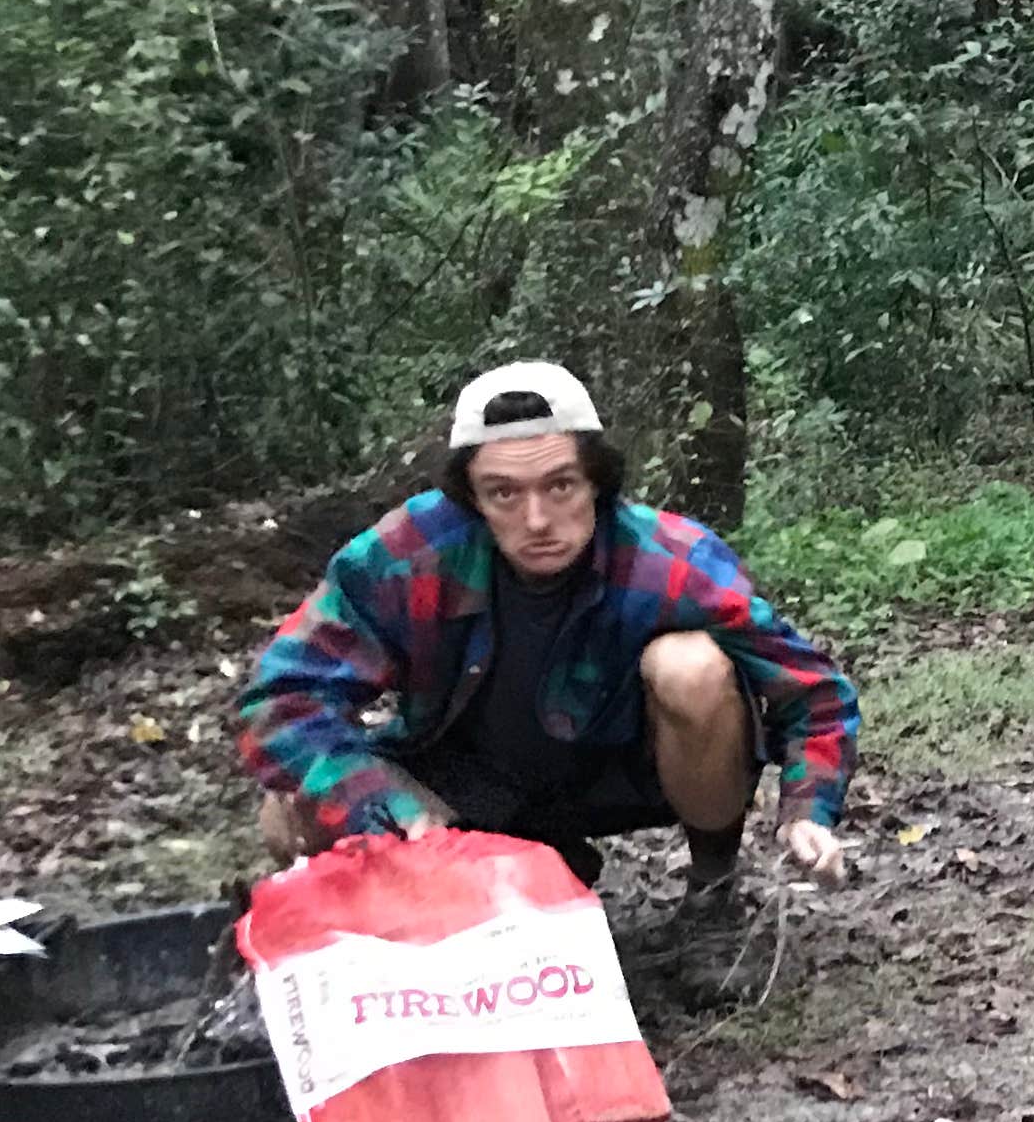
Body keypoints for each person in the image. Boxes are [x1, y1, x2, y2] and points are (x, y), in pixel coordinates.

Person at [237, 361, 859, 987]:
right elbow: (281, 700)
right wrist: (391, 809)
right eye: (504, 493)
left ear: (597, 482)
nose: (536, 520)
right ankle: (497, 889)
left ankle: (712, 897)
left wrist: (808, 810)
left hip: (622, 773)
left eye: (561, 486)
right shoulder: (410, 554)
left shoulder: (668, 559)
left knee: (691, 667)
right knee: (289, 813)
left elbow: (813, 691)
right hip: (464, 786)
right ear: (471, 498)